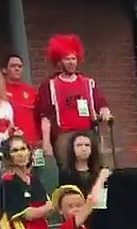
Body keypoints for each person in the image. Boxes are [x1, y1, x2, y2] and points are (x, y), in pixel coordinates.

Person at [37, 34, 112, 168]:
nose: (71, 62)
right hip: (64, 135)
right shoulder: (50, 85)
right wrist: (46, 142)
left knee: (98, 167)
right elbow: (45, 117)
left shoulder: (88, 83)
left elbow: (101, 103)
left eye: (74, 58)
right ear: (60, 61)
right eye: (67, 59)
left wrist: (105, 112)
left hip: (88, 132)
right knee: (68, 170)